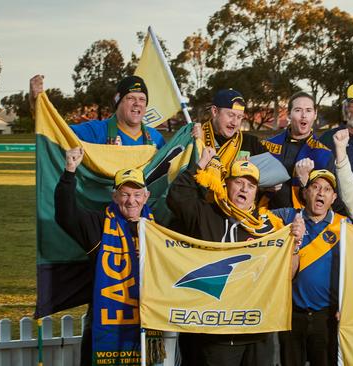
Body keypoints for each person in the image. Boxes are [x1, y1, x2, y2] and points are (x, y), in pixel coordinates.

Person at [166, 147, 305, 366]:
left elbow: (287, 275)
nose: (244, 189)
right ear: (226, 184)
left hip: (258, 331)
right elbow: (176, 197)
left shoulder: (269, 226)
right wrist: (201, 164)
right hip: (216, 332)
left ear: (256, 192)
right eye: (239, 182)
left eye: (251, 186)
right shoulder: (206, 214)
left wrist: (296, 244)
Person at [54, 147, 155, 366]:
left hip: (148, 319)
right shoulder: (98, 225)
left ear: (146, 197)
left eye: (137, 194)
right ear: (114, 196)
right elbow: (66, 214)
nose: (131, 201)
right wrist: (70, 171)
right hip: (105, 316)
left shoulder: (158, 229)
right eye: (125, 194)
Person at [271, 169, 348, 366]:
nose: (321, 193)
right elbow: (253, 217)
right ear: (305, 193)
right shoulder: (287, 217)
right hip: (291, 313)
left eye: (327, 189)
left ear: (334, 197)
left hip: (327, 316)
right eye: (315, 187)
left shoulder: (345, 226)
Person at [29, 74, 165, 149]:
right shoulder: (95, 131)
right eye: (130, 98)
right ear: (118, 101)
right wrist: (36, 102)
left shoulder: (156, 139)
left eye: (142, 99)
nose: (137, 104)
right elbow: (55, 132)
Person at [260, 91, 334, 209]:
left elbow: (326, 201)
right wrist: (262, 186)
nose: (304, 115)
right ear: (289, 115)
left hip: (304, 219)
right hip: (268, 216)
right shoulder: (266, 146)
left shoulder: (324, 154)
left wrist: (305, 182)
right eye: (298, 110)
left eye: (308, 110)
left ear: (315, 115)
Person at [193, 88, 268, 174]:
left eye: (239, 117)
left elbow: (275, 171)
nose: (235, 123)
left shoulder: (252, 143)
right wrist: (196, 143)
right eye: (231, 115)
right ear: (214, 111)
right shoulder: (195, 138)